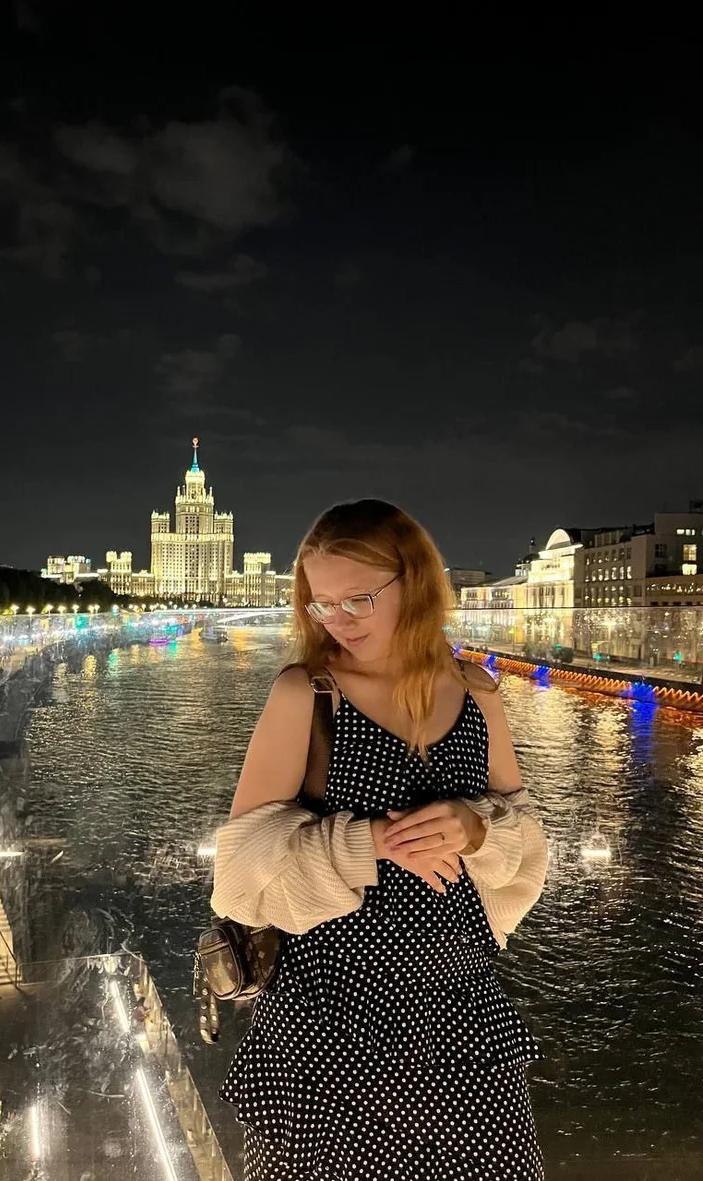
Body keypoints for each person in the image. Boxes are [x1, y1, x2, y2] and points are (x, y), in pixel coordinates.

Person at [211, 500, 547, 1180]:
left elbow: (527, 836)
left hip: (460, 1011)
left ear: (413, 582)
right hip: (328, 1019)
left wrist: (476, 828)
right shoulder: (307, 695)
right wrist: (369, 842)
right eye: (321, 603)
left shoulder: (478, 692)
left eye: (358, 599)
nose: (337, 620)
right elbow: (238, 873)